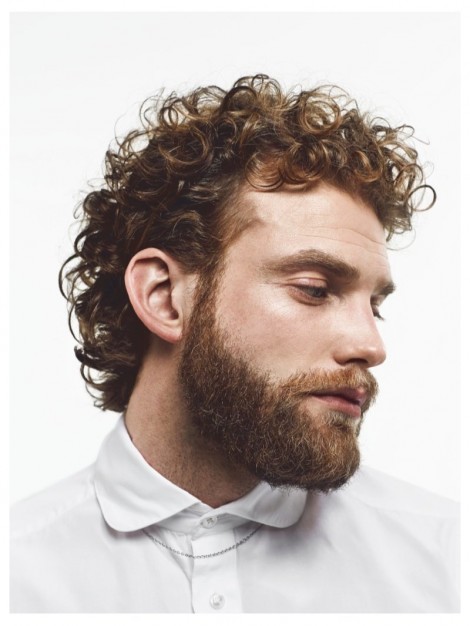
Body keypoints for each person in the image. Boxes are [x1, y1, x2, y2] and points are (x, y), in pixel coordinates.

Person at [10, 74, 459, 613]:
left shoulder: (447, 564)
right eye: (314, 289)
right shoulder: (19, 574)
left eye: (375, 305)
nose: (372, 345)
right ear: (164, 297)